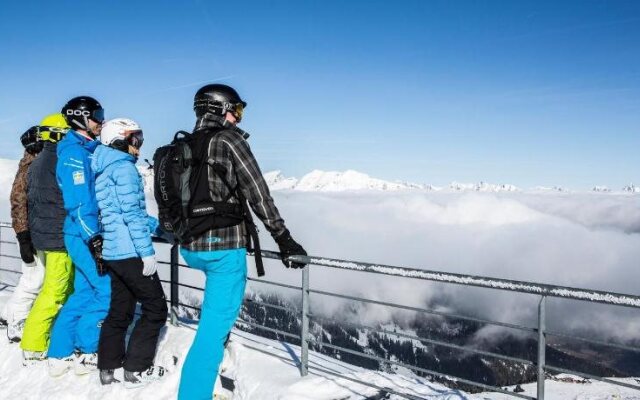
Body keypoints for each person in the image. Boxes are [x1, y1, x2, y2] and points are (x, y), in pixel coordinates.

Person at [176, 84, 307, 400]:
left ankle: (210, 385)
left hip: (190, 246)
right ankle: (194, 395)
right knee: (212, 333)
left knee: (213, 326)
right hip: (223, 250)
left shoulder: (182, 144)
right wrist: (284, 239)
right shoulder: (229, 140)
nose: (238, 117)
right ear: (219, 108)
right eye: (236, 109)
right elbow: (258, 193)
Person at [93, 118, 168, 387]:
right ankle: (135, 367)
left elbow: (121, 212)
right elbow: (133, 216)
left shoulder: (105, 167)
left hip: (113, 251)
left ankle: (107, 367)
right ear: (118, 140)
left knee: (120, 309)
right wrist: (147, 253)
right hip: (131, 252)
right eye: (135, 139)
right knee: (156, 309)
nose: (139, 145)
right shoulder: (124, 170)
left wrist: (161, 230)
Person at [47, 96, 110, 377]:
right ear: (80, 118)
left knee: (84, 291)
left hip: (83, 232)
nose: (101, 121)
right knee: (107, 288)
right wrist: (94, 238)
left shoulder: (88, 149)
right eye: (97, 115)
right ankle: (87, 350)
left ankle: (59, 352)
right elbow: (79, 203)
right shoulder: (74, 153)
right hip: (83, 233)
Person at [20, 114, 74, 366]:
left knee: (65, 289)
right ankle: (32, 344)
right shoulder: (60, 160)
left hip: (44, 236)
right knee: (54, 291)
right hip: (57, 239)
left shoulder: (38, 161)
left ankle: (60, 335)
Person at [0, 126, 45, 342]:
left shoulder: (34, 163)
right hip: (32, 233)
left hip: (36, 231)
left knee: (34, 278)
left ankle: (10, 313)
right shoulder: (31, 165)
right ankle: (16, 323)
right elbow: (18, 202)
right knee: (34, 279)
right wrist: (23, 235)